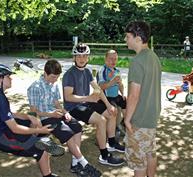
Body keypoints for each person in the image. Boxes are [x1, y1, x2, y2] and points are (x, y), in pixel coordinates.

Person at [0, 63, 65, 177]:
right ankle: (38, 150)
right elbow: (15, 128)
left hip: (0, 126)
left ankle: (38, 140)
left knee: (32, 123)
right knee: (40, 148)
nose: (11, 78)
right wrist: (41, 130)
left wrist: (29, 116)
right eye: (8, 76)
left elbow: (11, 115)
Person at [27, 59, 101, 176]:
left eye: (57, 77)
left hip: (57, 114)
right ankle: (84, 163)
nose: (55, 80)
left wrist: (65, 112)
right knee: (68, 133)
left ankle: (75, 163)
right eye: (52, 77)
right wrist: (51, 114)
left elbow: (57, 103)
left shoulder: (54, 85)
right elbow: (34, 111)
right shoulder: (35, 87)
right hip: (45, 118)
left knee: (77, 127)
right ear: (45, 73)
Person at [62, 43, 125, 167]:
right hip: (73, 107)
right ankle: (104, 156)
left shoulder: (87, 72)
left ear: (88, 58)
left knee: (112, 112)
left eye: (84, 56)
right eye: (78, 56)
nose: (82, 59)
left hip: (85, 103)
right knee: (101, 120)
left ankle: (111, 143)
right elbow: (68, 97)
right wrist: (89, 98)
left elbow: (98, 89)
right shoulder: (69, 74)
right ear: (74, 58)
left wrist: (108, 105)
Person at [124, 21, 161, 177]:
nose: (125, 40)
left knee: (138, 162)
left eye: (127, 37)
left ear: (137, 38)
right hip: (151, 117)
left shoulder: (137, 61)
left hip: (139, 119)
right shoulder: (154, 57)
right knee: (149, 152)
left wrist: (127, 119)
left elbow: (134, 95)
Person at [97, 49, 126, 136]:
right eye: (111, 59)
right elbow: (100, 87)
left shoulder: (117, 71)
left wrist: (123, 92)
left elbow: (121, 85)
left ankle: (122, 124)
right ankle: (114, 129)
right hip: (106, 97)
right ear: (105, 60)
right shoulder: (103, 70)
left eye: (115, 59)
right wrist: (112, 82)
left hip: (116, 95)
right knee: (115, 109)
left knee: (128, 103)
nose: (113, 61)